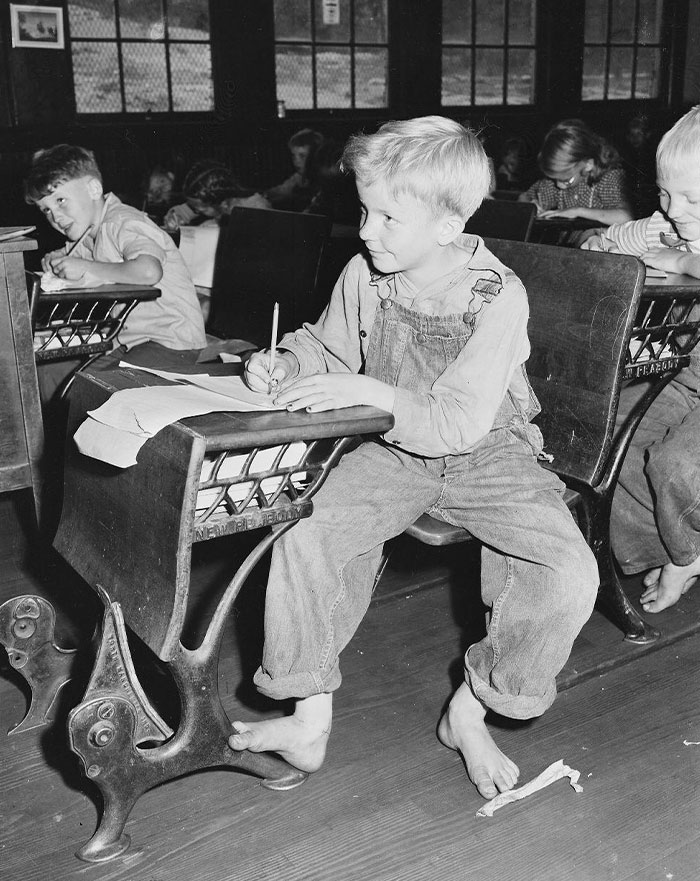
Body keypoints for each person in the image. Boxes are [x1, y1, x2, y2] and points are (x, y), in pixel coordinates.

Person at [228, 116, 599, 800]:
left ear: (447, 226)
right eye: (365, 209)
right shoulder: (369, 271)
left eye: (387, 216)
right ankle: (308, 716)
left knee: (569, 571)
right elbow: (327, 344)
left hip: (488, 451)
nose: (366, 230)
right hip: (398, 451)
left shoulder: (497, 295)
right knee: (307, 529)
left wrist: (371, 388)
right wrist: (284, 362)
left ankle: (473, 707)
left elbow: (460, 421)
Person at [581, 105, 700, 615]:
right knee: (621, 439)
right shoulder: (668, 224)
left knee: (679, 466)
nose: (677, 209)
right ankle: (669, 546)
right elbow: (611, 242)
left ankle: (687, 556)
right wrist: (598, 245)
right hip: (686, 373)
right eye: (666, 193)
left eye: (695, 196)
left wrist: (683, 261)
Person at [25, 144, 206, 356]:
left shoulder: (123, 221)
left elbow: (149, 271)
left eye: (61, 201)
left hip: (173, 341)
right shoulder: (87, 233)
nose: (55, 217)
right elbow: (73, 257)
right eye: (46, 210)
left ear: (94, 189)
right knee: (68, 371)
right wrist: (56, 260)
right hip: (130, 341)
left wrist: (86, 267)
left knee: (85, 382)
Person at [519, 118, 633, 226]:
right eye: (555, 179)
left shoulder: (608, 178)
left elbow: (626, 216)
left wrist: (578, 211)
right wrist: (532, 205)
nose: (559, 185)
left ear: (588, 165)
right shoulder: (555, 182)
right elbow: (523, 197)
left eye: (566, 180)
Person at [163, 159, 270, 231]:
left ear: (222, 204)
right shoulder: (208, 201)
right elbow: (183, 210)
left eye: (201, 210)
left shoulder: (256, 209)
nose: (196, 211)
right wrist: (174, 217)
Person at [265, 128, 325, 212]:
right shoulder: (299, 177)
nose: (296, 161)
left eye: (302, 156)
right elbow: (281, 190)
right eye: (293, 156)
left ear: (315, 156)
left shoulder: (323, 180)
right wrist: (264, 195)